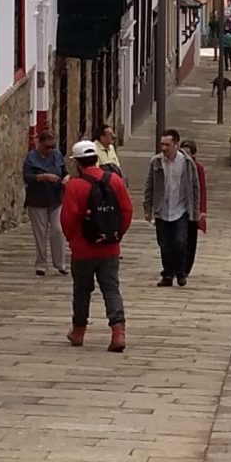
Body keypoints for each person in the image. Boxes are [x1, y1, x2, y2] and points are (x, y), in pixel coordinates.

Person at [59, 142, 134, 351]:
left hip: (83, 248)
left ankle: (78, 332)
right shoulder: (115, 180)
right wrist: (117, 235)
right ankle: (118, 333)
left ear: (78, 163)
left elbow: (68, 219)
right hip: (110, 247)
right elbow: (127, 210)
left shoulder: (75, 186)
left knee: (82, 291)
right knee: (111, 289)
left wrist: (73, 240)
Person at [145, 129, 207, 287]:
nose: (164, 148)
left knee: (180, 241)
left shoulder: (187, 163)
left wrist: (195, 210)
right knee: (164, 244)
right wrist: (148, 209)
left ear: (176, 144)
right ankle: (168, 274)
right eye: (162, 144)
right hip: (162, 209)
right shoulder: (156, 162)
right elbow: (149, 186)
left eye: (167, 145)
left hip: (181, 209)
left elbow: (195, 187)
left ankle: (180, 272)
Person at [21, 130, 69, 276]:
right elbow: (27, 177)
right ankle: (41, 264)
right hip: (37, 200)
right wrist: (43, 177)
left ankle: (60, 263)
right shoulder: (31, 158)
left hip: (55, 198)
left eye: (52, 146)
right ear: (40, 144)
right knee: (40, 233)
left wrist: (66, 178)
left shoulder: (57, 155)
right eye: (47, 147)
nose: (50, 150)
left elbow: (65, 172)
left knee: (58, 230)